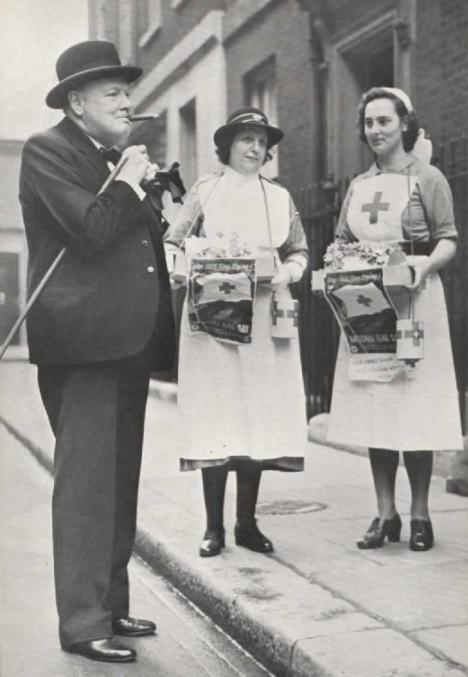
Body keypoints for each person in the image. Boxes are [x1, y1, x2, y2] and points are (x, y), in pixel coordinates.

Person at [19, 41, 175, 663]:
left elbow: (138, 240)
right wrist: (131, 183)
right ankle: (83, 623)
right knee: (85, 485)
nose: (127, 100)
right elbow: (90, 230)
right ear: (78, 103)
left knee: (118, 481)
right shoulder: (47, 151)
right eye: (113, 92)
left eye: (126, 91)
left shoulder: (114, 157)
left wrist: (155, 201)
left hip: (128, 343)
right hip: (82, 346)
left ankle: (110, 604)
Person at [166, 107, 309, 557]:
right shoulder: (206, 191)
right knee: (217, 415)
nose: (255, 148)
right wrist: (181, 270)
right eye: (246, 138)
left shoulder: (278, 197)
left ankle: (246, 523)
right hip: (214, 319)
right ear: (227, 145)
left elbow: (300, 251)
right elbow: (173, 244)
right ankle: (214, 528)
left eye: (262, 141)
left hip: (265, 318)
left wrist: (288, 272)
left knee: (255, 418)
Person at [327, 87, 463, 551]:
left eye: (384, 121)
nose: (376, 131)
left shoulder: (428, 177)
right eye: (368, 123)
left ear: (405, 123)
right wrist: (342, 265)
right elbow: (341, 240)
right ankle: (385, 514)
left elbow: (448, 238)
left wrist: (424, 265)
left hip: (416, 301)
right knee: (377, 407)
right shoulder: (358, 186)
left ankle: (420, 513)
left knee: (415, 406)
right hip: (368, 307)